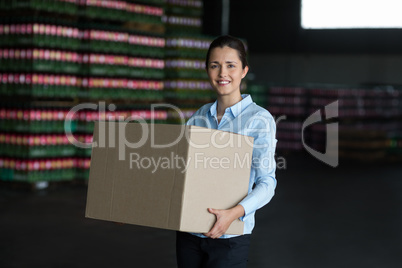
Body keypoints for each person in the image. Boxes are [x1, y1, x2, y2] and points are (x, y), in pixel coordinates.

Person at [176, 35, 277, 268]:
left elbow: (267, 182)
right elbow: (182, 175)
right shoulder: (199, 117)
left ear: (244, 71)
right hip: (190, 233)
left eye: (231, 65)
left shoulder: (259, 120)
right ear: (207, 70)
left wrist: (233, 214)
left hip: (230, 238)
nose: (222, 73)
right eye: (215, 65)